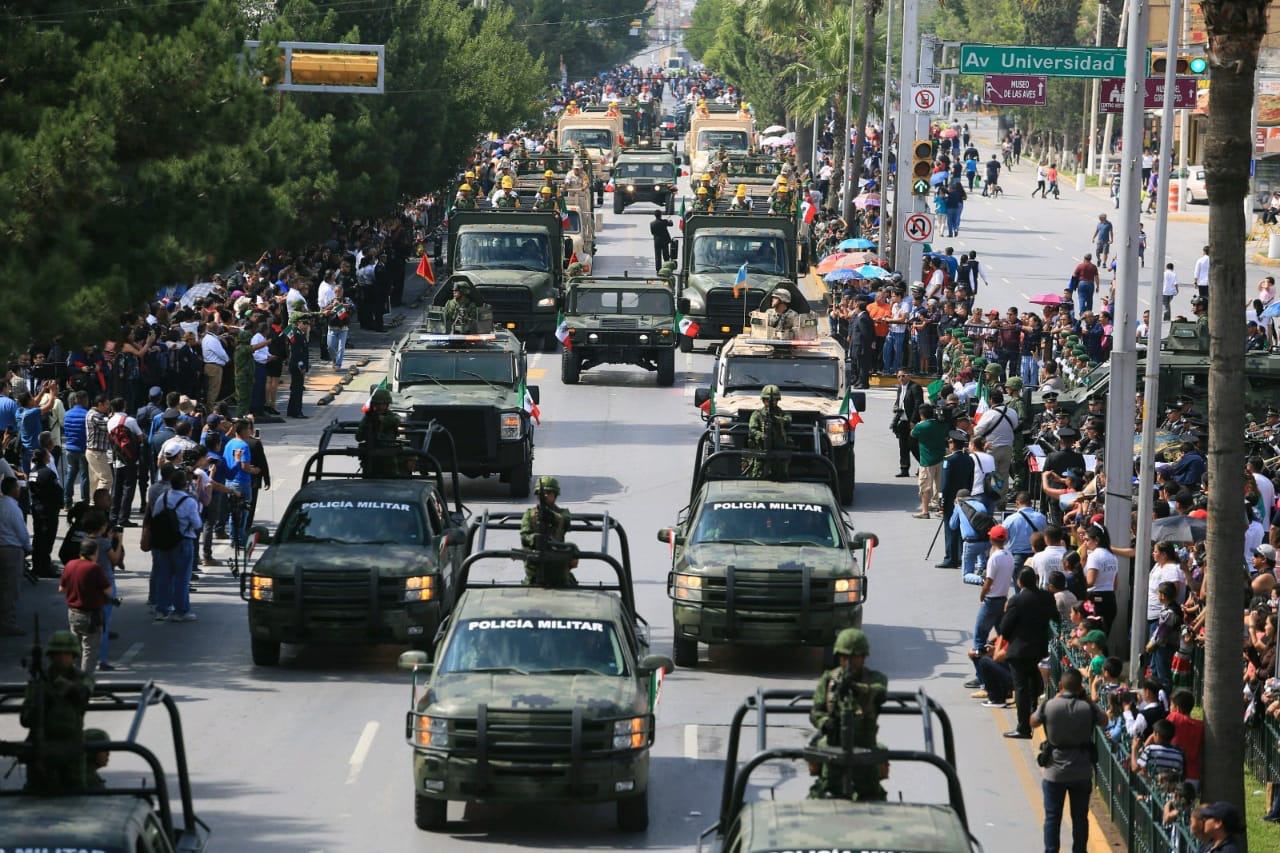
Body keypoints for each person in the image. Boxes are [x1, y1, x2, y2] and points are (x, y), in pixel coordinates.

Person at [809, 628, 889, 801]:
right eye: (844, 657)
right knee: (826, 794)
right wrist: (825, 722)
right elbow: (815, 712)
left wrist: (854, 687)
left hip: (865, 747)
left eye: (853, 657)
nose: (848, 662)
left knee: (871, 796)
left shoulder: (875, 678)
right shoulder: (829, 680)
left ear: (863, 657)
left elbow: (880, 693)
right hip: (834, 747)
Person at [1031, 668, 1105, 853]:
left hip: (1054, 771)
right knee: (1080, 818)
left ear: (1060, 685)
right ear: (1080, 687)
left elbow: (1033, 722)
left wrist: (1053, 699)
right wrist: (1088, 700)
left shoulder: (1050, 706)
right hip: (1081, 771)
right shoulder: (1087, 708)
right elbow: (1104, 720)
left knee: (1052, 818)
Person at [19, 630, 92, 793]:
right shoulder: (39, 681)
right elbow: (25, 719)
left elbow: (83, 694)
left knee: (76, 796)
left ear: (74, 655)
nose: (62, 657)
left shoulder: (82, 678)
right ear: (51, 655)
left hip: (71, 747)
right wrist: (39, 697)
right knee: (36, 796)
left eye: (66, 653)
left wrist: (61, 685)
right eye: (57, 653)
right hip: (42, 747)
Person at [1000, 568, 1058, 738]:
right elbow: (1055, 616)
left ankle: (1023, 727)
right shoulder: (1046, 597)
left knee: (1021, 688)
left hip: (1019, 651)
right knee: (1033, 681)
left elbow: (1004, 628)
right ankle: (1034, 711)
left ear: (1020, 582)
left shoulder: (1016, 600)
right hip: (1039, 648)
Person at [59, 537, 113, 676]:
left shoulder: (70, 565)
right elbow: (108, 590)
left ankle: (74, 679)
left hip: (73, 613)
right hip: (91, 615)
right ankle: (85, 681)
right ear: (94, 553)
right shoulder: (94, 568)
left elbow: (62, 589)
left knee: (76, 650)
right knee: (89, 650)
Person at [520, 475, 576, 586]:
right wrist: (535, 539)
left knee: (572, 548)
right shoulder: (529, 514)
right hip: (535, 563)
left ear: (555, 495)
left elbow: (566, 522)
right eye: (542, 493)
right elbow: (524, 536)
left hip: (558, 561)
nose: (545, 496)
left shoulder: (563, 512)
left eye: (549, 493)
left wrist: (552, 516)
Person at [937, 431, 975, 569]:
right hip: (965, 497)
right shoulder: (969, 459)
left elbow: (945, 484)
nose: (949, 444)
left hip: (951, 500)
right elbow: (971, 480)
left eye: (950, 442)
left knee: (950, 528)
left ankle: (950, 558)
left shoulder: (949, 460)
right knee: (961, 527)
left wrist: (941, 500)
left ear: (953, 444)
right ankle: (960, 556)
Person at [0, 476, 30, 636]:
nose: (19, 491)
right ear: (12, 490)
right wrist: (28, 547)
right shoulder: (13, 509)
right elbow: (22, 532)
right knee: (10, 589)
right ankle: (7, 623)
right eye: (17, 488)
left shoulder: (2, 504)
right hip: (11, 550)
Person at [911, 403, 948, 519]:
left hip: (927, 461)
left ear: (922, 415)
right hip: (941, 458)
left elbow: (912, 434)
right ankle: (941, 509)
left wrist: (919, 423)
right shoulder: (941, 424)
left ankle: (925, 511)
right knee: (940, 487)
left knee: (925, 487)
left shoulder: (921, 426)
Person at [746, 385, 791, 479]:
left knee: (782, 474)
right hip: (762, 448)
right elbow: (752, 429)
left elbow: (788, 420)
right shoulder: (757, 414)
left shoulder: (783, 414)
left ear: (777, 400)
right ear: (763, 400)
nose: (770, 402)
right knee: (758, 474)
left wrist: (777, 420)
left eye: (773, 400)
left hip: (779, 450)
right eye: (767, 400)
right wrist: (761, 435)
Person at [357, 387, 403, 479]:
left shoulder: (392, 416)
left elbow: (397, 420)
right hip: (371, 458)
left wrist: (383, 421)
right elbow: (358, 437)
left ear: (387, 405)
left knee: (391, 480)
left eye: (383, 404)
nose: (380, 407)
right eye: (377, 404)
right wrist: (368, 425)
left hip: (388, 457)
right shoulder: (368, 418)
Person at [891, 370, 923, 478]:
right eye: (898, 376)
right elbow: (899, 401)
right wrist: (896, 407)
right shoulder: (900, 388)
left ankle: (924, 465)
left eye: (903, 376)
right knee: (903, 446)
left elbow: (918, 404)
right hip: (902, 420)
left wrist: (913, 421)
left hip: (912, 421)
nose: (901, 378)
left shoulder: (915, 387)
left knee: (913, 445)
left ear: (909, 376)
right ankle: (904, 469)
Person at [286, 316, 310, 419]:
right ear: (299, 323)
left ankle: (291, 410)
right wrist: (301, 366)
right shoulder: (296, 334)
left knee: (295, 388)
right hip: (297, 365)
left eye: (307, 324)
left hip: (296, 364)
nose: (306, 326)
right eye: (304, 323)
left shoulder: (299, 334)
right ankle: (296, 411)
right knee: (297, 389)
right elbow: (296, 352)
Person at [848, 298, 875, 389]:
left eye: (855, 307)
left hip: (862, 346)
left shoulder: (862, 318)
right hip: (859, 345)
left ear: (859, 308)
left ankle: (863, 383)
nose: (854, 309)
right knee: (859, 365)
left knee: (863, 365)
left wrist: (866, 345)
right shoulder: (860, 317)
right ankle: (860, 381)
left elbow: (866, 333)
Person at [650, 210, 674, 274]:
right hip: (664, 240)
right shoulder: (664, 222)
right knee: (666, 255)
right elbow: (671, 224)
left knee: (657, 255)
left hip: (657, 241)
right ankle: (667, 266)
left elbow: (652, 233)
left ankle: (658, 269)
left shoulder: (652, 223)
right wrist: (670, 220)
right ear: (660, 215)